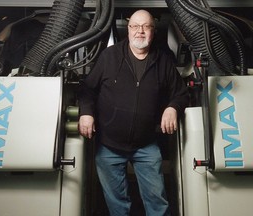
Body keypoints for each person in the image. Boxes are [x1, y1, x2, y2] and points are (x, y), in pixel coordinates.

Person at [78, 9, 189, 216]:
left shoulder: (163, 61)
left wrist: (172, 108)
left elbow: (181, 94)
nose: (140, 31)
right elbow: (87, 90)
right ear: (128, 30)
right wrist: (86, 112)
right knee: (117, 204)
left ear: (153, 31)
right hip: (109, 146)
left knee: (157, 202)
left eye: (146, 26)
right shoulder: (109, 57)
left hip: (146, 145)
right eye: (135, 26)